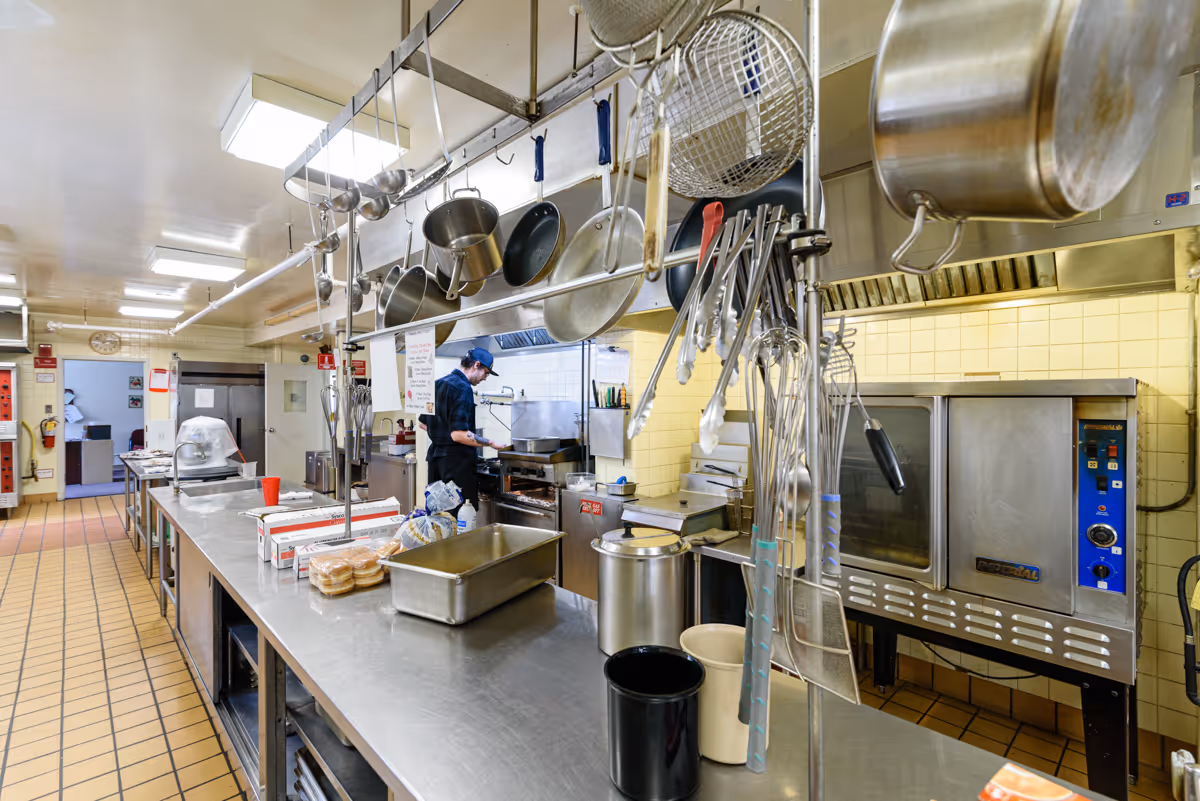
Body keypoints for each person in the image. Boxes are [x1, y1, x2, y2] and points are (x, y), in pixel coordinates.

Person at [418, 347, 509, 512]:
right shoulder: (463, 388)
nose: (485, 378)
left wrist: (443, 435)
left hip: (436, 463)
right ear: (476, 364)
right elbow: (458, 434)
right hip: (456, 466)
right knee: (459, 517)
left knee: (438, 516)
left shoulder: (437, 384)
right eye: (486, 373)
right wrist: (492, 443)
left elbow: (423, 424)